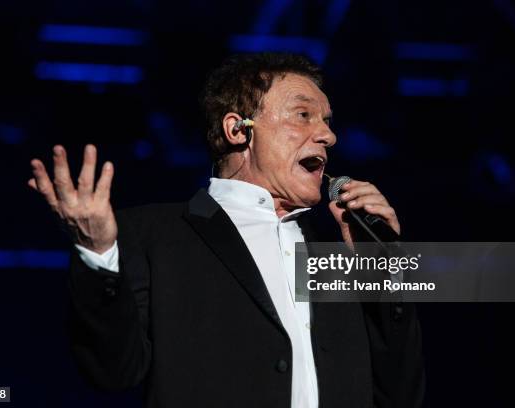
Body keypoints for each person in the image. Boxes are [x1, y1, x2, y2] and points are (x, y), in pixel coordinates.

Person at [28, 53, 424, 408]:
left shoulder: (338, 254)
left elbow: (400, 395)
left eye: (326, 121)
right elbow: (113, 372)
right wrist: (97, 252)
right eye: (303, 115)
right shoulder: (154, 234)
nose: (328, 135)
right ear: (238, 130)